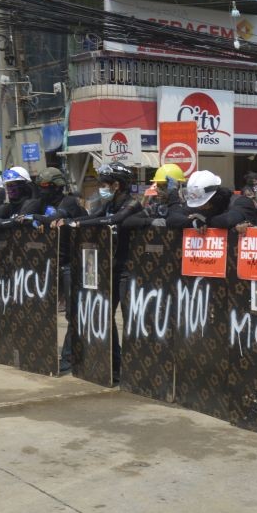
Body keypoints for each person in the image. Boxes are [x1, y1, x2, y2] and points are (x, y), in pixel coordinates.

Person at [67, 162, 142, 379]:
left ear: (116, 185)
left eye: (104, 184)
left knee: (131, 320)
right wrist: (69, 222)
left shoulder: (132, 204)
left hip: (129, 271)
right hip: (110, 269)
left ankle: (134, 369)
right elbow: (91, 218)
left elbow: (115, 221)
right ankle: (116, 365)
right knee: (105, 317)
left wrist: (81, 226)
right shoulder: (107, 205)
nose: (101, 187)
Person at [19, 167, 86, 373]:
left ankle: (69, 358)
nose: (43, 190)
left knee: (73, 314)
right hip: (49, 264)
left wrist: (37, 219)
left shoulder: (69, 202)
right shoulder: (40, 203)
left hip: (71, 264)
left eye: (47, 186)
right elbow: (21, 217)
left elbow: (56, 217)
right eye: (41, 186)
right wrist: (33, 220)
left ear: (58, 187)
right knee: (36, 308)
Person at [169, 170, 257, 230]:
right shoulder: (201, 207)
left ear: (214, 196)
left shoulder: (241, 202)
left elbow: (228, 220)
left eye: (203, 203)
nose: (199, 207)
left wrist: (205, 221)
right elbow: (172, 218)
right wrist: (194, 223)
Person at [124, 163, 185, 228]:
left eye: (164, 186)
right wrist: (151, 221)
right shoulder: (155, 208)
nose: (158, 191)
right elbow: (127, 221)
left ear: (176, 187)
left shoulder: (185, 207)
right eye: (158, 186)